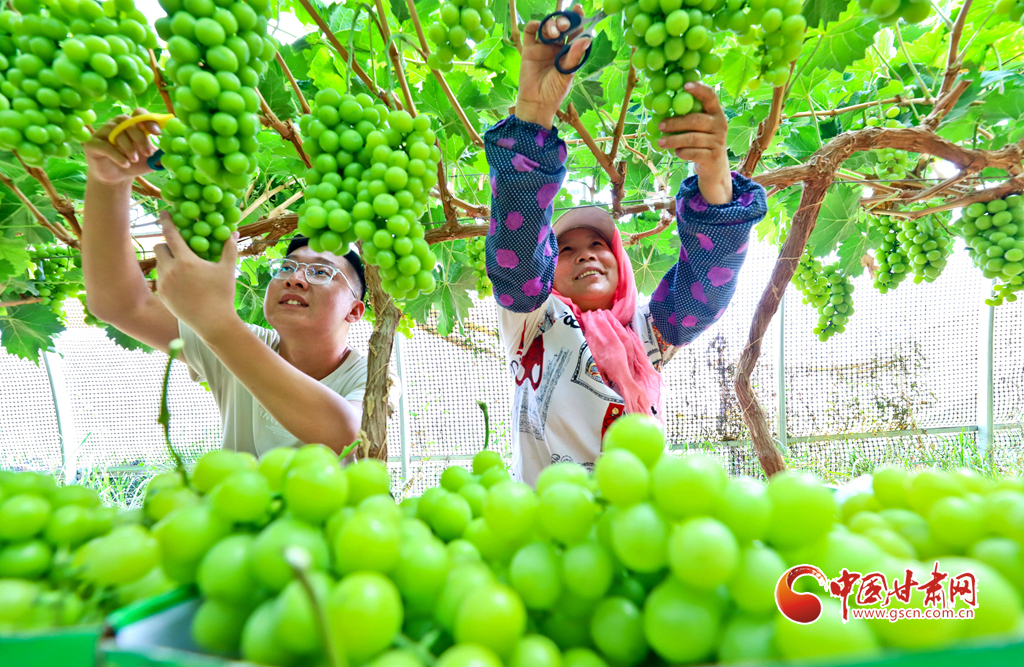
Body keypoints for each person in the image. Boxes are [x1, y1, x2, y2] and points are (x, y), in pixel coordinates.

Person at [485, 8, 768, 484]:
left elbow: (706, 288)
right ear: (546, 272)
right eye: (566, 251)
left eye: (599, 245)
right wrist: (533, 114)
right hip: (547, 515)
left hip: (639, 514)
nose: (586, 254)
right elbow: (517, 252)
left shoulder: (647, 329)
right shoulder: (531, 322)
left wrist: (715, 175)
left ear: (620, 264)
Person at [80, 110, 368, 457]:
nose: (294, 278)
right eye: (286, 267)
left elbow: (344, 435)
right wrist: (108, 183)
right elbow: (119, 304)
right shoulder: (237, 342)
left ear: (355, 311)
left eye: (321, 272)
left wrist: (217, 322)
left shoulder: (370, 373)